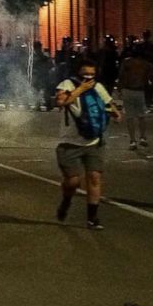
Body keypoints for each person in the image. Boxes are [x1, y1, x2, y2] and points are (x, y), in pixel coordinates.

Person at [54, 59, 122, 230]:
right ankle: (66, 200)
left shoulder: (98, 87)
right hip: (69, 143)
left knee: (94, 177)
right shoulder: (67, 84)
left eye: (92, 74)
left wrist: (115, 113)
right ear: (78, 72)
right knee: (73, 182)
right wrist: (80, 89)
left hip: (94, 141)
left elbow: (109, 103)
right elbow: (61, 102)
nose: (88, 77)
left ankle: (92, 218)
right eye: (85, 74)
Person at [116, 45, 153, 150]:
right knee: (141, 116)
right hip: (140, 91)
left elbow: (121, 76)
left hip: (127, 90)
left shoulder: (126, 63)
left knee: (130, 117)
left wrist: (119, 89)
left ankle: (132, 141)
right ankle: (143, 137)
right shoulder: (147, 64)